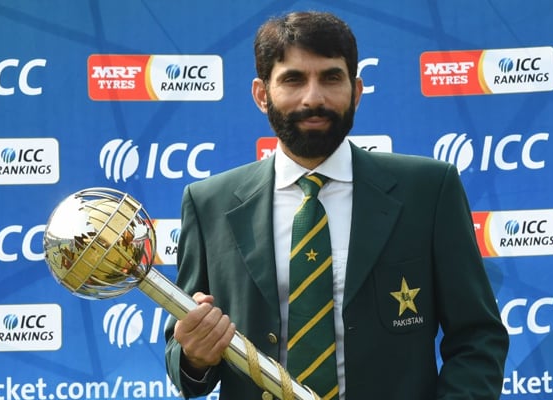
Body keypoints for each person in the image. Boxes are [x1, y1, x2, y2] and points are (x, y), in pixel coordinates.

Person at [165, 10, 508, 400]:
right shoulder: (208, 203)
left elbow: (478, 336)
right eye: (293, 79)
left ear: (356, 91)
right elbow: (181, 359)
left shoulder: (429, 191)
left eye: (331, 77)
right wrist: (194, 356)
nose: (314, 98)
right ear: (262, 94)